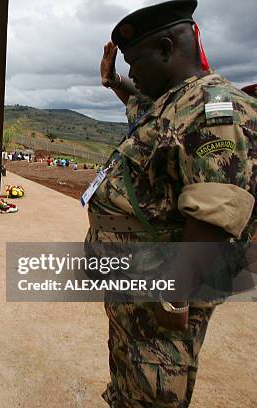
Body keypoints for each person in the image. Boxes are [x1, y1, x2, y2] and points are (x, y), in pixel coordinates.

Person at [90, 2, 257, 407]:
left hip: (163, 286)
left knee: (156, 384)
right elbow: (145, 113)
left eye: (134, 61)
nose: (132, 73)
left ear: (166, 48)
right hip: (136, 282)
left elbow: (215, 214)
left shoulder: (216, 110)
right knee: (129, 366)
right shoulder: (171, 101)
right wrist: (113, 81)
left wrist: (173, 296)